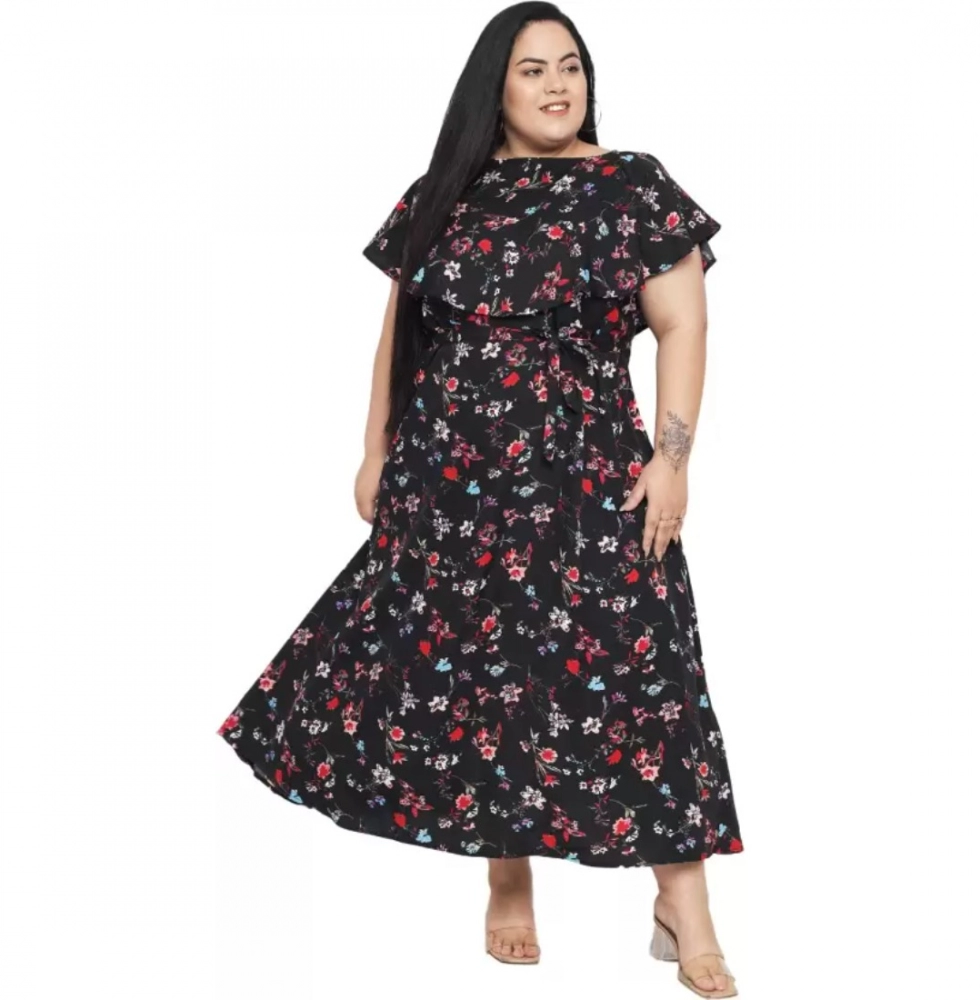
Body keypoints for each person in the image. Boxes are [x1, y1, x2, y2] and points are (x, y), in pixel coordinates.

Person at [217, 2, 743, 994]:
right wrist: (374, 450)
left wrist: (673, 460)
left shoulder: (632, 185)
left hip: (590, 475)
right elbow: (399, 334)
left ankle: (686, 899)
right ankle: (507, 875)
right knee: (480, 676)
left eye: (570, 66)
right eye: (533, 69)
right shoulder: (442, 194)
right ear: (494, 89)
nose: (557, 84)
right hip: (450, 477)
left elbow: (685, 325)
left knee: (646, 673)